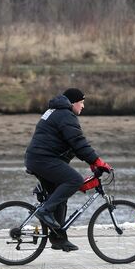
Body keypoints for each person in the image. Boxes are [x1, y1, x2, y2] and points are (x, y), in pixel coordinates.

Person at [25, 88, 112, 251]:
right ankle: (44, 211)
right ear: (73, 103)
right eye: (82, 103)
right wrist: (98, 161)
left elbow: (73, 145)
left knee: (60, 195)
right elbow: (78, 142)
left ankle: (58, 238)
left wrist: (92, 163)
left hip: (39, 158)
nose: (83, 107)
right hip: (43, 159)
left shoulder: (57, 112)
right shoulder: (65, 115)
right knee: (74, 180)